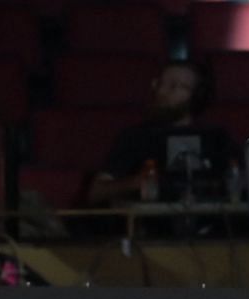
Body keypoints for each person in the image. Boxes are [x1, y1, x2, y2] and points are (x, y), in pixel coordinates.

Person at [87, 61, 238, 207]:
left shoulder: (216, 137)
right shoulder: (135, 136)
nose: (162, 92)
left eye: (173, 86)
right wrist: (135, 182)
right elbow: (96, 192)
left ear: (196, 96)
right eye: (160, 84)